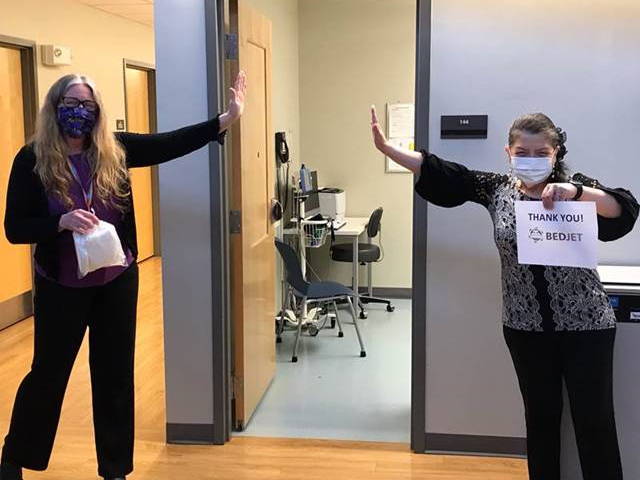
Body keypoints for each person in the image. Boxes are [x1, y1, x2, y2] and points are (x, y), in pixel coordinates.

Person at [1, 70, 247, 480]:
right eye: (71, 105)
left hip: (116, 281)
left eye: (87, 105)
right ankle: (14, 456)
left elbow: (168, 142)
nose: (79, 112)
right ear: (54, 108)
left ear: (98, 112)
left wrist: (225, 119)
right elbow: (14, 228)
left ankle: (115, 469)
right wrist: (60, 223)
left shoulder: (114, 151)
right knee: (48, 373)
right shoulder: (31, 160)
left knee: (115, 374)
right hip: (61, 284)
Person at [371, 107, 639, 480]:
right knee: (541, 421)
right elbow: (448, 175)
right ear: (508, 152)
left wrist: (576, 192)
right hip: (525, 328)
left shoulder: (576, 187)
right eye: (522, 152)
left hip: (587, 327)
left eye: (541, 153)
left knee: (594, 422)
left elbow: (624, 208)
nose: (531, 160)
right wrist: (390, 150)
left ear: (556, 152)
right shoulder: (496, 189)